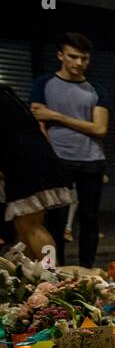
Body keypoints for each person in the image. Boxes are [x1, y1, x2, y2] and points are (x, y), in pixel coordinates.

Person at [31, 33, 108, 269]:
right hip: (58, 160)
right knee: (56, 220)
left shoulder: (95, 89)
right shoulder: (44, 84)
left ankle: (87, 268)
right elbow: (37, 123)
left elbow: (100, 128)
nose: (78, 63)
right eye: (73, 57)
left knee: (89, 218)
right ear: (60, 55)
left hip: (91, 159)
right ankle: (56, 271)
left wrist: (56, 115)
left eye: (83, 58)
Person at [0, 84, 72, 264]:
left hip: (23, 165)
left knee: (30, 227)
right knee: (25, 230)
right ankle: (36, 277)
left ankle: (51, 274)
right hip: (34, 161)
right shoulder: (7, 96)